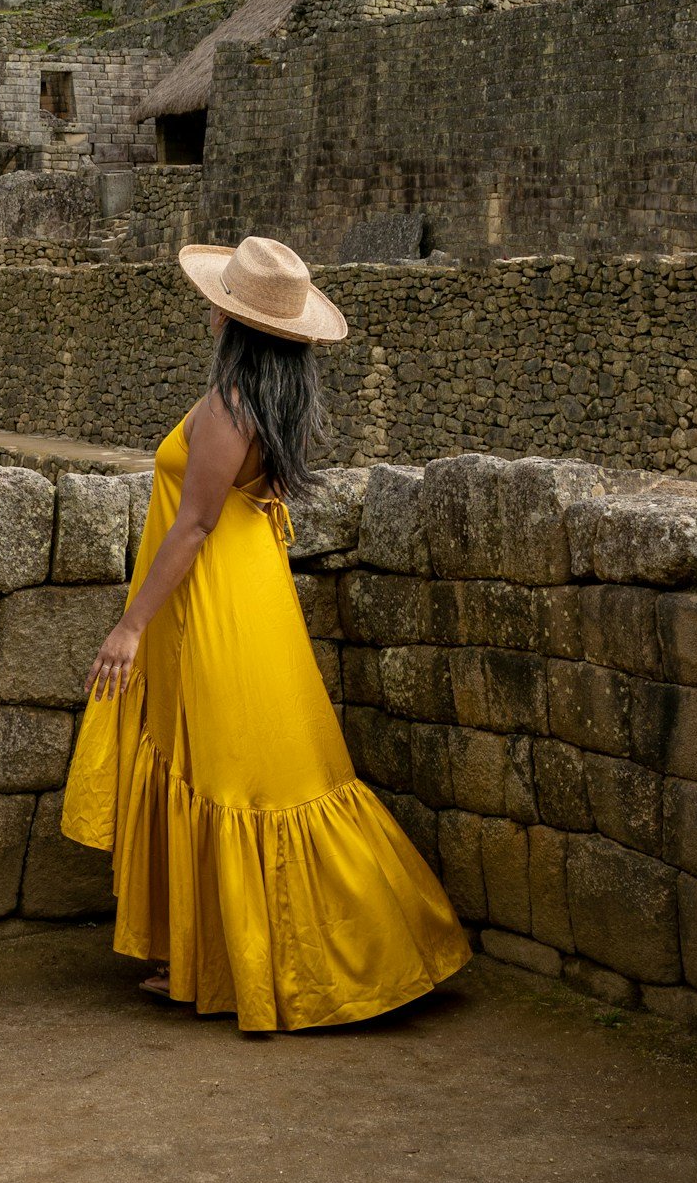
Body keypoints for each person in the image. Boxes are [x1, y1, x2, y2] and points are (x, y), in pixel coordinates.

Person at [61, 235, 468, 1032]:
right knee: (251, 762)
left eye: (219, 299)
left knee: (231, 767)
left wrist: (130, 627)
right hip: (253, 590)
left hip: (212, 597)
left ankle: (265, 961)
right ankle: (213, 951)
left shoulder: (227, 407)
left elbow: (195, 524)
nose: (208, 307)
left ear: (233, 318)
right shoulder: (278, 400)